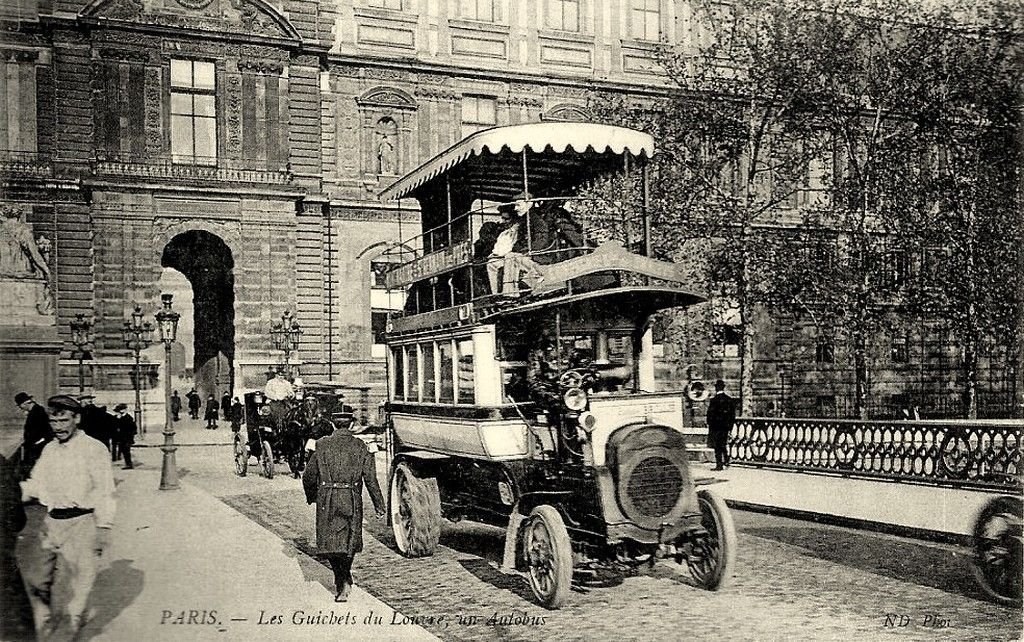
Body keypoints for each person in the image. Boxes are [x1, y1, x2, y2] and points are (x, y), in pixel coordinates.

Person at [20, 395, 115, 639]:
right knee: (35, 578)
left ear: (77, 419)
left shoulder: (94, 448)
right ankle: (51, 619)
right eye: (53, 421)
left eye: (64, 420)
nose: (58, 427)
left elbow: (105, 490)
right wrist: (12, 493)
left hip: (82, 522)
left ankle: (70, 628)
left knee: (78, 585)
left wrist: (104, 527)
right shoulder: (50, 449)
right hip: (52, 522)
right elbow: (35, 483)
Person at [302, 420, 385, 602]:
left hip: (327, 498)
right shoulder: (361, 446)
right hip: (351, 498)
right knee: (350, 540)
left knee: (330, 541)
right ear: (351, 424)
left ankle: (341, 579)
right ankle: (344, 578)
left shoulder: (321, 444)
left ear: (332, 424)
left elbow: (308, 476)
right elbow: (371, 478)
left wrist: (313, 496)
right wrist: (379, 504)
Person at [483, 194, 546, 297]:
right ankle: (496, 296)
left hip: (534, 257)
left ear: (529, 203)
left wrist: (528, 251)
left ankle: (510, 294)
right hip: (520, 255)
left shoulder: (535, 220)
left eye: (518, 205)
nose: (516, 208)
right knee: (492, 264)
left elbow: (542, 240)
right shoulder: (523, 220)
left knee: (510, 257)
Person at [15, 392, 52, 479]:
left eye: (20, 406)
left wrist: (35, 443)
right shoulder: (35, 411)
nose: (21, 409)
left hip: (37, 447)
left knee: (34, 470)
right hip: (35, 446)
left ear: (24, 404)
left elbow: (41, 431)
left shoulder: (37, 412)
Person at [706, 379, 737, 471]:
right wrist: (730, 426)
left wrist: (709, 424)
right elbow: (732, 415)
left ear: (716, 388)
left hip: (715, 427)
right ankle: (726, 460)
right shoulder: (729, 400)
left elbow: (710, 414)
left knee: (717, 446)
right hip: (725, 427)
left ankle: (719, 464)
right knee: (723, 444)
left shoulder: (714, 400)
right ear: (723, 388)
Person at [112, 403, 136, 470]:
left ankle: (129, 464)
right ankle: (128, 463)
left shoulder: (128, 418)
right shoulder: (119, 417)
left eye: (120, 410)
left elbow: (133, 428)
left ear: (125, 410)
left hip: (127, 438)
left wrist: (131, 437)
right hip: (121, 438)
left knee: (126, 451)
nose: (119, 411)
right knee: (124, 451)